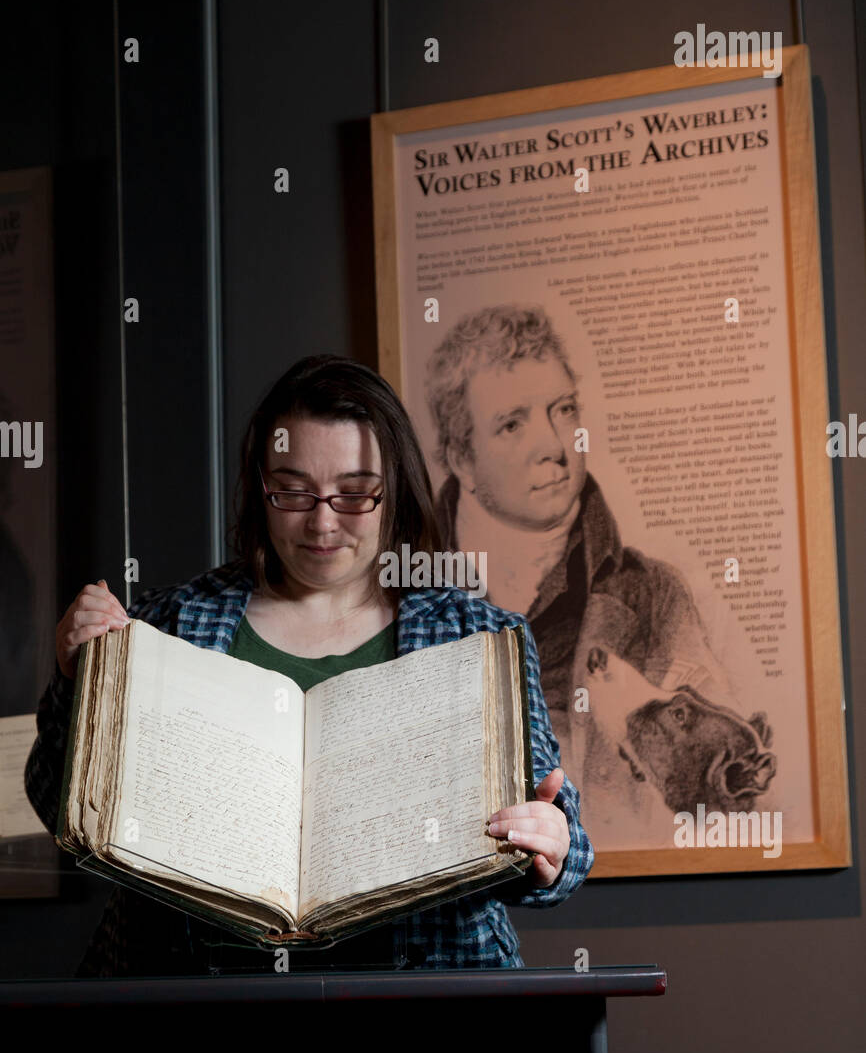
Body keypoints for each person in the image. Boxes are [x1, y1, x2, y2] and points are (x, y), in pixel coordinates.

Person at [25, 353, 593, 973]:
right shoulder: (165, 626)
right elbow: (63, 809)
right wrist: (74, 679)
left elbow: (561, 852)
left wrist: (551, 846)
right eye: (293, 490)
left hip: (426, 1013)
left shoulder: (477, 637)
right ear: (259, 485)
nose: (323, 522)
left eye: (354, 493)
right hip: (188, 1007)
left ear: (393, 489)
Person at [425, 304, 736, 840]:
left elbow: (720, 797)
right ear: (462, 458)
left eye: (564, 409)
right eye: (512, 423)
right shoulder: (402, 592)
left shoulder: (655, 595)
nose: (554, 446)